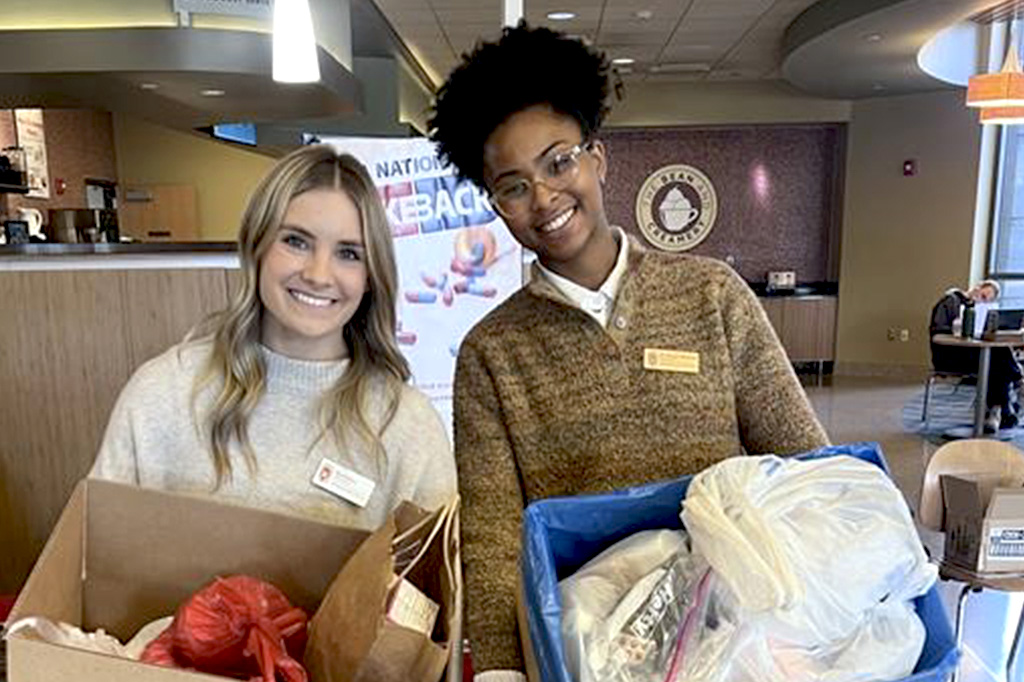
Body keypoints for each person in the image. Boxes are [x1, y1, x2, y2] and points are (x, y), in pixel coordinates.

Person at [428, 23, 829, 679]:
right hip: (589, 649)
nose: (545, 199)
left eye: (559, 162)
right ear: (495, 204)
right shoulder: (491, 353)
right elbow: (496, 540)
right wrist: (501, 668)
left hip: (739, 635)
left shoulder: (710, 294)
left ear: (598, 159)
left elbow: (802, 460)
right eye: (513, 185)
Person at [90, 145, 457, 528]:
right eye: (296, 241)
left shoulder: (406, 427)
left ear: (371, 277)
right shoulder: (162, 394)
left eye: (349, 253)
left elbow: (435, 583)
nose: (318, 274)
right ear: (256, 246)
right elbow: (96, 554)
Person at [929, 279, 1022, 431]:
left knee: (996, 356)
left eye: (987, 301)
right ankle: (1008, 397)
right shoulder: (950, 301)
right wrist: (957, 327)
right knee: (998, 358)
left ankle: (998, 410)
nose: (982, 301)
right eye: (984, 296)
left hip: (972, 354)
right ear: (977, 287)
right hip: (949, 355)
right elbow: (938, 334)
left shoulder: (976, 310)